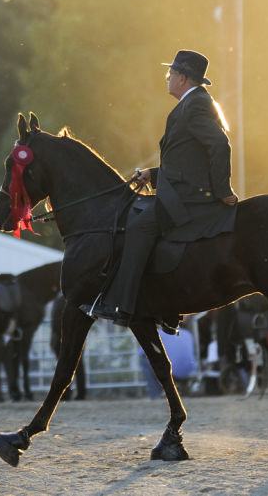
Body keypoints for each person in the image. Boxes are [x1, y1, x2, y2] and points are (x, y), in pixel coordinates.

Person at [81, 49, 238, 327]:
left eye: (170, 74)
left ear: (182, 78)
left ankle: (123, 305)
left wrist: (223, 189)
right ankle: (164, 306)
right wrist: (153, 176)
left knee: (140, 227)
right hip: (180, 189)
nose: (167, 78)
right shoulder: (193, 104)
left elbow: (219, 144)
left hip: (190, 199)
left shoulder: (196, 105)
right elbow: (189, 160)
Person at [139, 326, 198, 399]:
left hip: (171, 370)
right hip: (189, 370)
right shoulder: (188, 333)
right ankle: (178, 387)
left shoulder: (156, 334)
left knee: (144, 360)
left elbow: (142, 353)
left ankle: (155, 395)